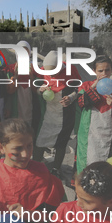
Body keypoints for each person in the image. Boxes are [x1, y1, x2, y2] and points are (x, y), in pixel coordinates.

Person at [75, 55, 112, 174]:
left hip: (111, 136)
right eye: (100, 71)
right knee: (87, 164)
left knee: (110, 169)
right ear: (94, 71)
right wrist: (93, 87)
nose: (104, 74)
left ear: (111, 70)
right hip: (89, 135)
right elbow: (81, 103)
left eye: (107, 70)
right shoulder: (86, 86)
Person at [34, 50, 81, 178]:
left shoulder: (71, 71)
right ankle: (35, 166)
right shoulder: (43, 72)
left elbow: (79, 89)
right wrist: (40, 90)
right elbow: (36, 88)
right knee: (40, 139)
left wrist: (71, 98)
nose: (52, 75)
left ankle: (56, 168)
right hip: (48, 113)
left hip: (65, 114)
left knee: (61, 141)